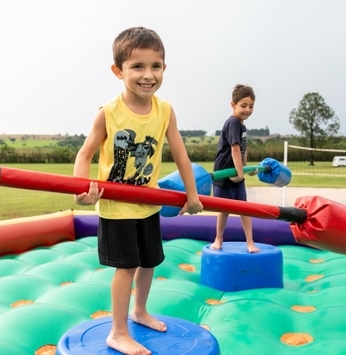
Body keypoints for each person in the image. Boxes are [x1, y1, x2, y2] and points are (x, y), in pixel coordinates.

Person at [73, 27, 203, 355]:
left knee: (149, 261)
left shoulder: (165, 110)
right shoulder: (108, 112)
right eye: (137, 67)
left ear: (164, 68)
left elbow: (181, 154)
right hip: (117, 207)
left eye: (155, 66)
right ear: (118, 71)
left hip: (149, 204)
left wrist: (192, 196)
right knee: (126, 266)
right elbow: (85, 154)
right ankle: (117, 332)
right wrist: (80, 190)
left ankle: (140, 311)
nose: (148, 75)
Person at [210, 84, 260, 253]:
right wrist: (239, 173)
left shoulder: (242, 126)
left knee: (244, 208)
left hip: (237, 174)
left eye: (251, 106)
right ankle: (218, 238)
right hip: (225, 173)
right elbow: (235, 149)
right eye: (243, 105)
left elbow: (243, 150)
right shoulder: (233, 123)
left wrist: (245, 170)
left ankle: (250, 242)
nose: (247, 109)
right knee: (225, 210)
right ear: (233, 105)